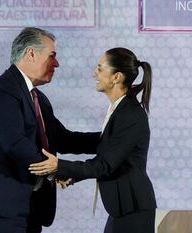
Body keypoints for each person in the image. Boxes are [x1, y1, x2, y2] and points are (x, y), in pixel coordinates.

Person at [0, 27, 100, 233]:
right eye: (52, 56)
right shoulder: (2, 91)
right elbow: (15, 144)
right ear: (31, 53)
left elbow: (62, 139)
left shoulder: (39, 99)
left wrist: (112, 137)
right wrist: (56, 171)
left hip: (29, 204)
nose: (57, 63)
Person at [29, 47, 157, 233]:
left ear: (116, 77)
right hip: (123, 208)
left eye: (100, 68)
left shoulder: (129, 114)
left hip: (133, 208)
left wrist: (60, 166)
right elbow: (105, 149)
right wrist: (73, 174)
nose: (94, 73)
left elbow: (104, 165)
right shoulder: (120, 109)